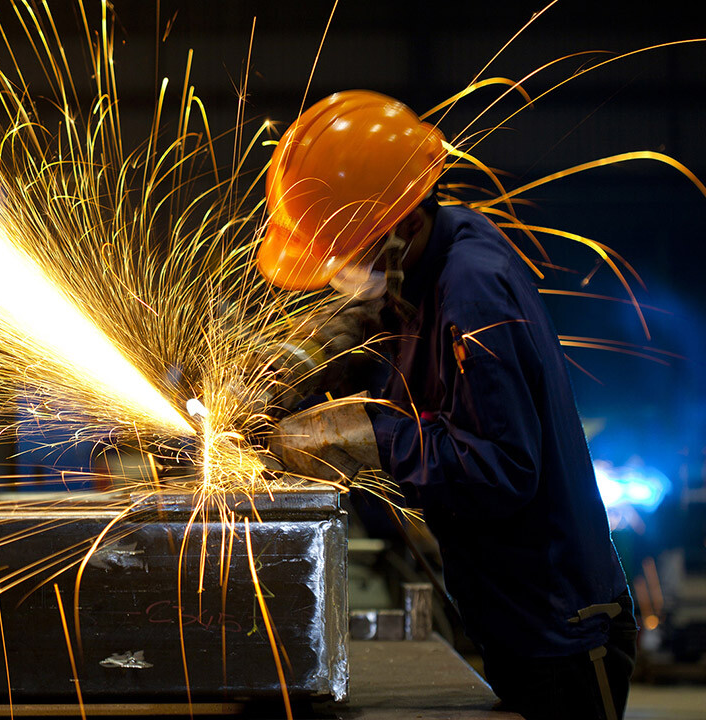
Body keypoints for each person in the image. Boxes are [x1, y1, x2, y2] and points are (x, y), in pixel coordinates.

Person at [258, 91, 637, 720]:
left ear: (401, 226)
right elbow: (358, 322)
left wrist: (372, 435)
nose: (340, 275)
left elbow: (501, 468)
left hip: (565, 636)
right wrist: (276, 375)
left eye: (348, 256)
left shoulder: (473, 289)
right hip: (509, 617)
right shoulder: (422, 260)